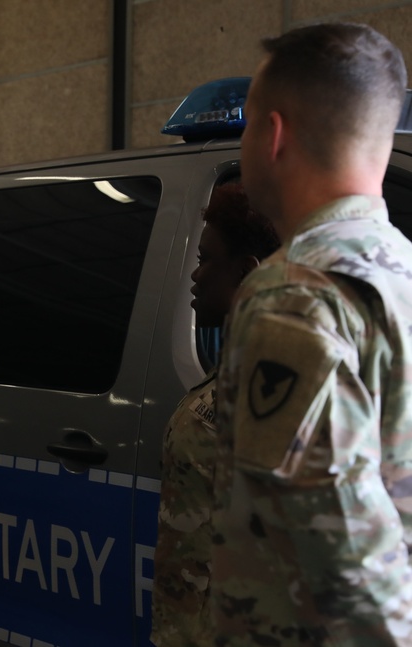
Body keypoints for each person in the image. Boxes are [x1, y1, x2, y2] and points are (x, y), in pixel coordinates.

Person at [211, 22, 412, 645]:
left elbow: (340, 547)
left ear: (274, 135)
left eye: (245, 123)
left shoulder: (294, 294)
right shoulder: (401, 268)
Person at [151, 183, 279, 646]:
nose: (195, 275)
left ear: (246, 271)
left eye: (206, 259)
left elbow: (192, 571)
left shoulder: (228, 402)